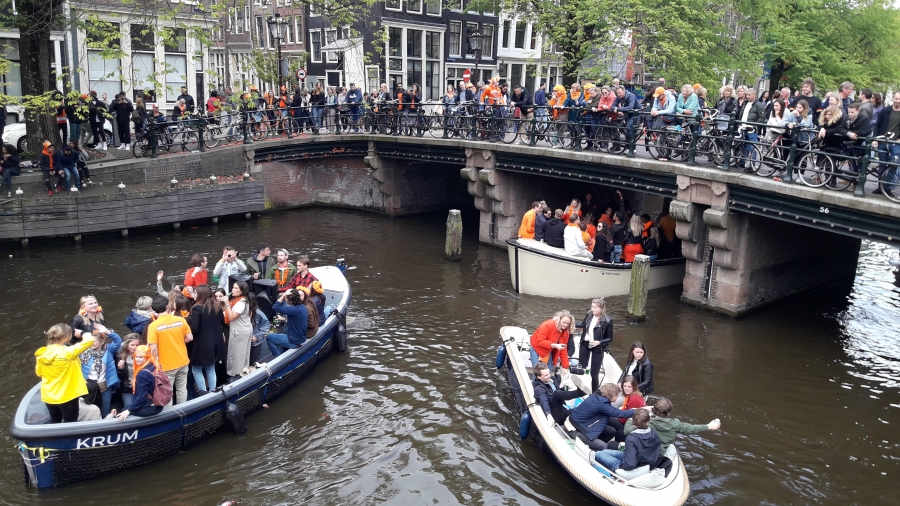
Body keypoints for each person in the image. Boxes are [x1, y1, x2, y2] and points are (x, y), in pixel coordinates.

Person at [36, 324, 95, 423]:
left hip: (49, 396)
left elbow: (39, 373)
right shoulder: (68, 352)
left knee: (55, 421)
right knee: (70, 423)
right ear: (66, 337)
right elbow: (89, 340)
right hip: (67, 396)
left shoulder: (42, 354)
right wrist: (82, 333)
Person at [624, 397, 721, 456]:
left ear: (654, 409)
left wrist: (631, 418)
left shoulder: (646, 421)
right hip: (659, 454)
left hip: (643, 452)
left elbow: (627, 431)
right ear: (669, 413)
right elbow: (692, 428)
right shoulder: (675, 424)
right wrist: (709, 426)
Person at [592, 408, 671, 479]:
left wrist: (620, 466)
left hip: (632, 465)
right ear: (648, 422)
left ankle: (609, 472)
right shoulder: (653, 433)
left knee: (598, 454)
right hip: (644, 461)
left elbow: (630, 465)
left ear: (633, 422)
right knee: (604, 451)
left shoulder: (631, 438)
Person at [147, 298, 193, 405]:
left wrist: (155, 364)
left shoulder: (153, 326)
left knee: (167, 391)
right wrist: (178, 342)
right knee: (182, 388)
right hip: (182, 360)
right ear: (167, 307)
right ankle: (182, 409)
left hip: (166, 365)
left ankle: (169, 412)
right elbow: (190, 338)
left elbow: (153, 348)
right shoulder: (181, 320)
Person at [569, 383, 635, 451]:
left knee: (611, 431)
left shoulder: (597, 395)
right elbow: (619, 413)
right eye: (616, 395)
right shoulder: (602, 403)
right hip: (579, 427)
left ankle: (594, 444)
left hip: (581, 421)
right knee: (603, 446)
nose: (618, 397)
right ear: (610, 394)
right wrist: (635, 411)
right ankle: (593, 449)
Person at [187, 285, 225, 394]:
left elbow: (195, 328)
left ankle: (203, 392)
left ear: (200, 294)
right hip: (216, 343)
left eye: (195, 292)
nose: (193, 295)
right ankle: (213, 391)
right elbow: (222, 322)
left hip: (202, 344)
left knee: (196, 369)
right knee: (210, 369)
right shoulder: (217, 306)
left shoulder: (197, 308)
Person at [79, 328, 122, 417]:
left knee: (105, 410)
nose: (91, 343)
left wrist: (107, 332)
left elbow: (118, 341)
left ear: (101, 342)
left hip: (104, 387)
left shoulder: (108, 350)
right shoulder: (83, 351)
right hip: (89, 387)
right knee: (91, 410)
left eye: (94, 341)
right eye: (90, 341)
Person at [573, 298, 613, 393]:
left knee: (594, 374)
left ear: (601, 308)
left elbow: (610, 338)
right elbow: (583, 324)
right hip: (585, 343)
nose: (592, 309)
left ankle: (595, 393)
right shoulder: (589, 315)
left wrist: (599, 342)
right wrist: (572, 324)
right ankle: (580, 391)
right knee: (582, 367)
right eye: (592, 306)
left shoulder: (607, 320)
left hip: (598, 347)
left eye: (595, 307)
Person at [115, 345, 164, 420]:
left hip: (150, 407)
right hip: (158, 404)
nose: (137, 359)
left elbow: (142, 397)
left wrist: (128, 410)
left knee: (124, 410)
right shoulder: (155, 365)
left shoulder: (142, 374)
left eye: (141, 357)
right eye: (136, 356)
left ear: (147, 357)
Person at [221, 280, 253, 377]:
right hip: (245, 328)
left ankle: (237, 376)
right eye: (233, 287)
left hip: (239, 332)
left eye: (235, 288)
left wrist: (227, 303)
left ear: (242, 291)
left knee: (237, 355)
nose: (232, 290)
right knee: (244, 354)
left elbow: (231, 317)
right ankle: (244, 374)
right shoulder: (245, 300)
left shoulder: (240, 303)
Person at [267, 287, 309, 357]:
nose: (285, 299)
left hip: (294, 342)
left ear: (291, 301)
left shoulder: (293, 310)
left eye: (286, 298)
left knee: (269, 337)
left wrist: (283, 295)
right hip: (300, 338)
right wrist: (283, 319)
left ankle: (278, 357)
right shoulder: (302, 307)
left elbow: (275, 307)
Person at [872, 91, 900, 197]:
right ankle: (881, 187)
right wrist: (875, 139)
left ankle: (886, 187)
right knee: (882, 165)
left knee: (894, 164)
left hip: (896, 143)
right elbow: (877, 125)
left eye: (899, 99)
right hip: (883, 141)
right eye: (896, 98)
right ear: (893, 98)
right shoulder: (885, 110)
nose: (897, 101)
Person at [116, 334, 142, 408]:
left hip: (140, 387)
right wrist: (120, 369)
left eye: (137, 345)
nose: (134, 347)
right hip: (127, 388)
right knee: (128, 407)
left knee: (140, 407)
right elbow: (120, 377)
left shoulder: (143, 356)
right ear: (127, 345)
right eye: (132, 345)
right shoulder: (120, 356)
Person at [249, 292, 270, 365]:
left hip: (255, 343)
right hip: (246, 343)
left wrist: (257, 336)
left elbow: (266, 324)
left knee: (253, 362)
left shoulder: (258, 313)